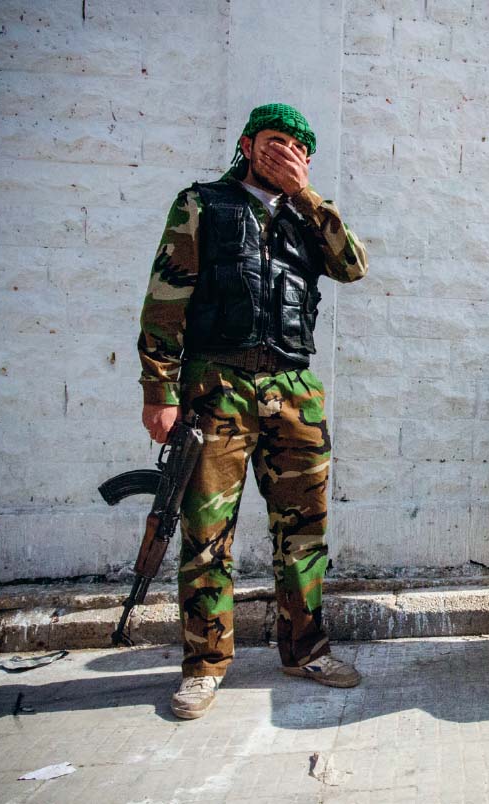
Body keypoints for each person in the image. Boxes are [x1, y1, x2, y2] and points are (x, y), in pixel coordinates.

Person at [138, 103, 369, 719]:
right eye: (273, 141)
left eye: (296, 146)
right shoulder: (202, 204)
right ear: (246, 143)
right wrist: (158, 391)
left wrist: (307, 196)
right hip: (217, 388)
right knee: (207, 534)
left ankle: (306, 649)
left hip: (293, 392)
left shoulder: (309, 215)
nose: (283, 153)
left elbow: (353, 267)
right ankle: (205, 665)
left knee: (305, 532)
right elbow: (165, 299)